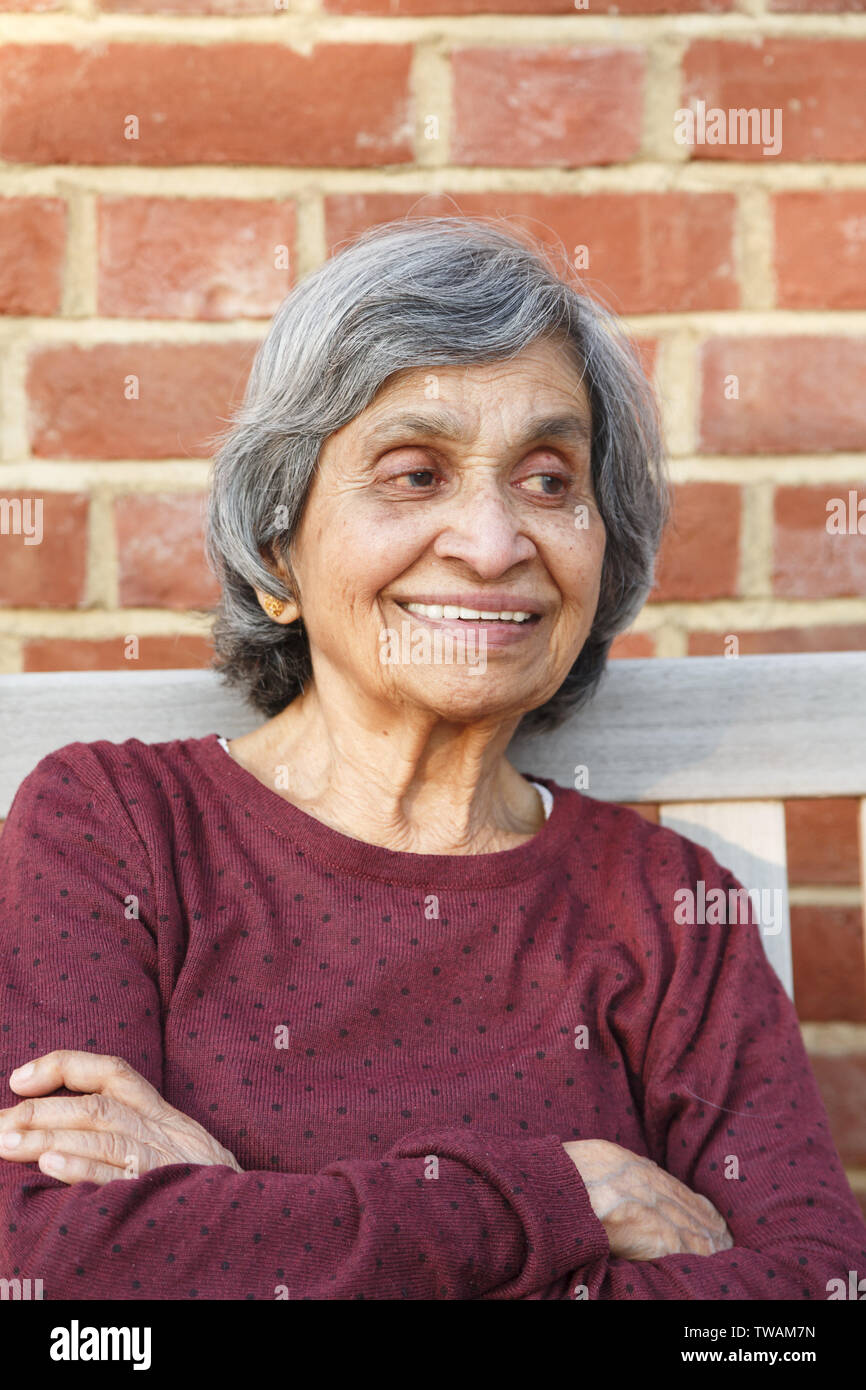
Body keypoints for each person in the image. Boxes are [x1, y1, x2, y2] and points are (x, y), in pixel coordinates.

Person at [1, 217, 863, 1300]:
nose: (493, 543)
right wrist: (561, 1203)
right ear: (278, 553)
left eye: (549, 480)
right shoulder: (117, 825)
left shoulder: (667, 908)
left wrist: (245, 1214)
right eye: (414, 473)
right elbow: (69, 1272)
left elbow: (803, 1306)